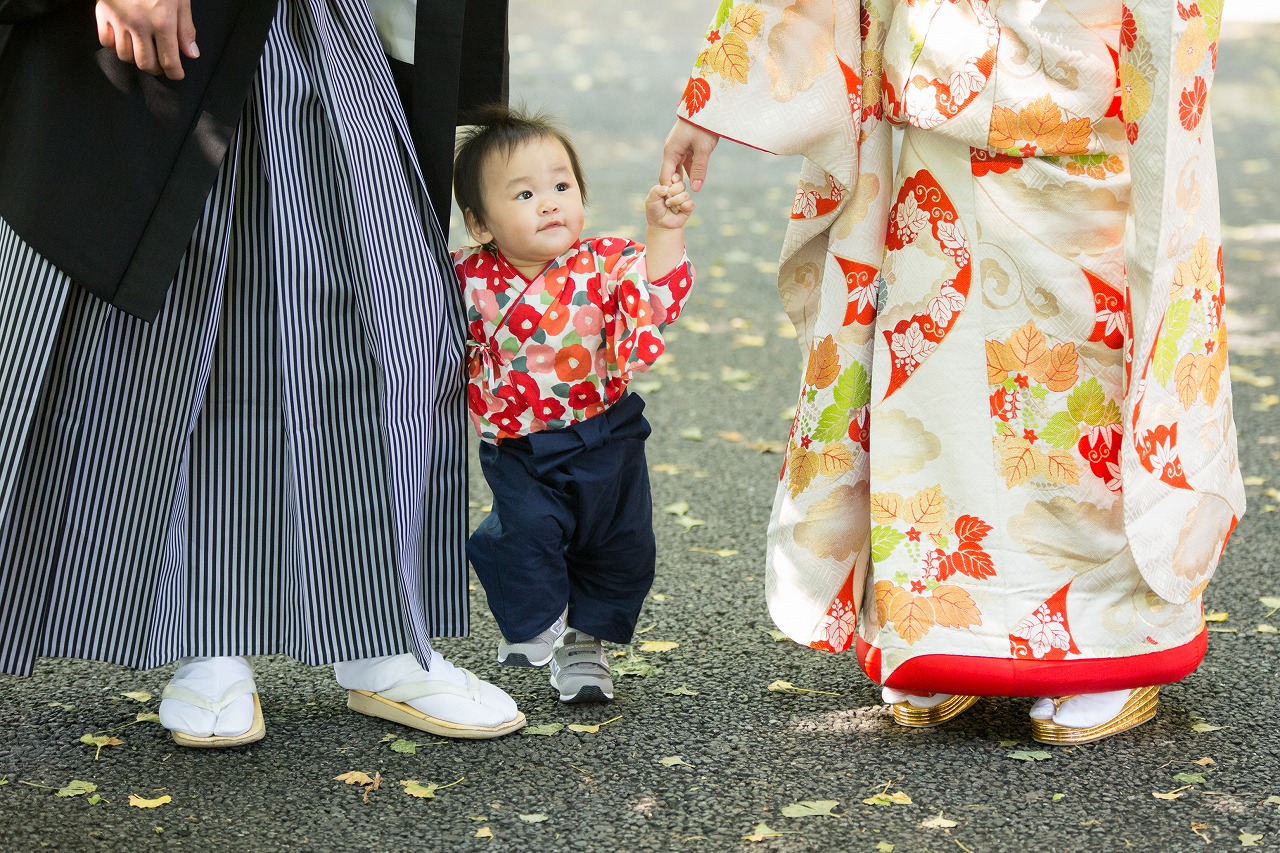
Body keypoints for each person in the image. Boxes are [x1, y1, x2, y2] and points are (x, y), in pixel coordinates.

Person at [662, 0, 1244, 743]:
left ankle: (1109, 639)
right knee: (937, 392)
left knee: (1076, 384)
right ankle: (947, 626)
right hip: (941, 86)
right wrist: (712, 99)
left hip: (1082, 85)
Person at [0, 0, 524, 745]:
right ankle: (209, 640)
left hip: (328, 29)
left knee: (380, 326)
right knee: (183, 336)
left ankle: (379, 633)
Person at [452, 105, 695, 703]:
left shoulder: (607, 262)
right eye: (525, 193)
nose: (550, 202)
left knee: (617, 546)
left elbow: (658, 296)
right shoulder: (467, 278)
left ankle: (585, 648)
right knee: (525, 531)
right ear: (480, 224)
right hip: (520, 445)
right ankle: (534, 616)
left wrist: (664, 231)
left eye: (561, 186)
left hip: (605, 433)